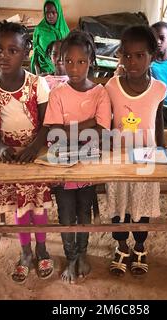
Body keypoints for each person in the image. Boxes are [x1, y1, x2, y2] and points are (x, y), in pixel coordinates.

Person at [0, 21, 54, 284]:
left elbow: (47, 124)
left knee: (38, 205)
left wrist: (34, 147)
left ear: (26, 52)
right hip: (8, 157)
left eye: (12, 50)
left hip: (36, 154)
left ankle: (42, 249)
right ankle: (25, 253)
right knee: (20, 208)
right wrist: (0, 146)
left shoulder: (38, 84)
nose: (3, 56)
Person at [44, 31, 112, 284]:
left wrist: (71, 129)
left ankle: (82, 253)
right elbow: (53, 134)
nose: (74, 68)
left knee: (85, 211)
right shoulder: (58, 93)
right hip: (62, 168)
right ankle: (70, 256)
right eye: (68, 61)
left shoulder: (100, 93)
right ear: (61, 60)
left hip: (88, 167)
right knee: (65, 213)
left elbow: (103, 133)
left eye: (81, 62)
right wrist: (89, 122)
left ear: (91, 60)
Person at [105, 25, 167, 277]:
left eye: (140, 55)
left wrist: (162, 150)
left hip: (147, 160)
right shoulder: (111, 86)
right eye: (127, 55)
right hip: (118, 160)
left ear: (152, 55)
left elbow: (159, 120)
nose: (132, 62)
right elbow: (106, 122)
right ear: (120, 55)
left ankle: (140, 247)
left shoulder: (158, 89)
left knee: (141, 209)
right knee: (119, 207)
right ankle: (121, 246)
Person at [31, 0, 70, 75]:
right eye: (47, 13)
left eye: (53, 12)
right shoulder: (39, 29)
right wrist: (38, 73)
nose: (50, 15)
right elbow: (35, 51)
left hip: (62, 70)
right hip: (43, 69)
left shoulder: (64, 30)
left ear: (59, 13)